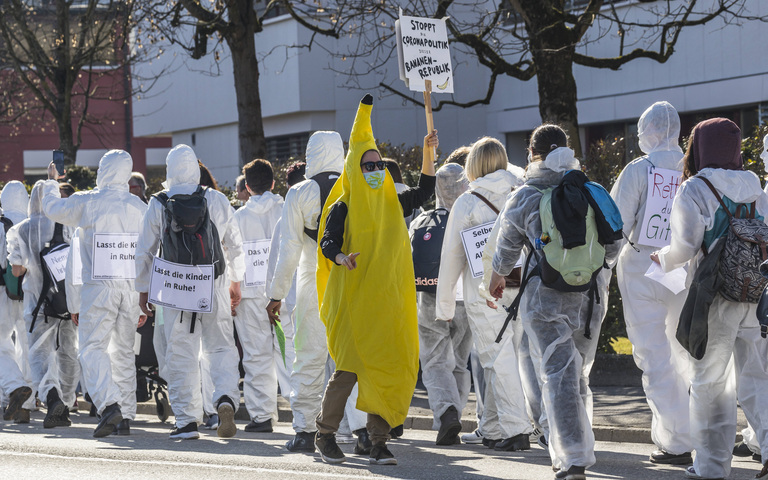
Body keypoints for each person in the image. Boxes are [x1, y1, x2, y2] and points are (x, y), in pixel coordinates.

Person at [489, 125, 620, 480]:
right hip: (590, 298)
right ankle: (583, 443)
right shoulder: (591, 190)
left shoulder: (525, 195)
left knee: (557, 374)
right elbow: (613, 247)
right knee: (577, 375)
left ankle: (573, 457)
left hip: (544, 299)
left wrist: (496, 278)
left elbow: (504, 252)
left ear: (532, 155)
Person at [313, 94, 435, 466]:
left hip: (387, 303)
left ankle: (378, 442)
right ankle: (324, 434)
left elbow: (426, 190)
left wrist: (430, 151)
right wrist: (340, 257)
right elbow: (327, 242)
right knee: (348, 371)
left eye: (378, 163)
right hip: (352, 303)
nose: (374, 170)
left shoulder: (393, 200)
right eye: (366, 165)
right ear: (352, 169)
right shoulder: (343, 205)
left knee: (386, 368)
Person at [652, 118, 768, 480]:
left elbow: (686, 247)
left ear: (699, 147)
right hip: (755, 289)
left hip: (715, 295)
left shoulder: (694, 188)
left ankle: (712, 466)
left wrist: (664, 257)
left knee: (710, 383)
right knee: (757, 378)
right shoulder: (756, 186)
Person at [266, 131, 367, 453]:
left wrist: (276, 293)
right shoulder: (357, 186)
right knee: (351, 359)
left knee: (308, 359)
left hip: (313, 281)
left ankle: (305, 431)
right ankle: (363, 431)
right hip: (353, 279)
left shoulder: (301, 192)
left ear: (310, 155)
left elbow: (289, 249)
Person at [136, 144, 244, 440]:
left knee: (180, 351)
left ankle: (186, 421)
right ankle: (224, 398)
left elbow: (143, 251)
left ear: (170, 170)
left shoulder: (159, 203)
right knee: (221, 346)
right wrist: (236, 282)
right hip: (214, 283)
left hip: (175, 287)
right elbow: (235, 245)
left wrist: (143, 291)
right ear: (196, 170)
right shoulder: (217, 199)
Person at [40, 151, 148, 437]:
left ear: (103, 170)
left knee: (91, 350)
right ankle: (124, 414)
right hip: (130, 288)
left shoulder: (89, 202)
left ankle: (109, 405)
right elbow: (150, 250)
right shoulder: (138, 206)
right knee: (124, 352)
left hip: (99, 288)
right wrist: (144, 299)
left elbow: (51, 208)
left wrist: (52, 182)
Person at [435, 136, 531, 452]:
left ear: (473, 166)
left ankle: (516, 429)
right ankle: (491, 426)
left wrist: (445, 304)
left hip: (483, 286)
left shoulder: (467, 201)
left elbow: (451, 257)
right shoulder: (521, 193)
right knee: (505, 354)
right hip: (520, 281)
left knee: (496, 357)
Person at [609, 101, 692, 464]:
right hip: (680, 265)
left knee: (653, 355)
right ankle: (697, 429)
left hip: (642, 264)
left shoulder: (637, 170)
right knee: (685, 351)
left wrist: (602, 267)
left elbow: (615, 226)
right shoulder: (692, 168)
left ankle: (675, 440)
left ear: (649, 130)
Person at [411, 162, 472, 445]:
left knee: (435, 361)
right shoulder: (473, 216)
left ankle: (447, 413)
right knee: (459, 362)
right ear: (464, 185)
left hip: (430, 299)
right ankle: (455, 413)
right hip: (465, 298)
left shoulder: (421, 222)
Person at [8, 181, 74, 429]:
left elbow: (16, 271)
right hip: (67, 301)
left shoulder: (22, 229)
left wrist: (31, 262)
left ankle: (51, 397)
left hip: (37, 304)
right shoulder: (68, 225)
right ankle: (66, 404)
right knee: (68, 353)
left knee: (39, 355)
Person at [233, 158, 284, 433]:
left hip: (250, 295)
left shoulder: (238, 218)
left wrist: (232, 292)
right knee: (294, 353)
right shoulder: (287, 210)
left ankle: (263, 416)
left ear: (247, 187)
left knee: (256, 355)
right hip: (285, 292)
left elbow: (231, 257)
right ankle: (306, 413)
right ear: (273, 183)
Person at [0, 181, 34, 423]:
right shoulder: (35, 224)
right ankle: (28, 401)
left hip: (2, 293)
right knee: (29, 346)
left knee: (1, 345)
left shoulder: (1, 226)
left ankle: (13, 388)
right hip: (32, 292)